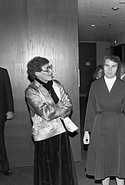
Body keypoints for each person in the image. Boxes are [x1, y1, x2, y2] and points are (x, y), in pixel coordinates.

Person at [83, 55, 125, 185]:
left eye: (113, 66)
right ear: (103, 67)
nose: (110, 69)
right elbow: (90, 109)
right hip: (100, 125)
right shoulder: (95, 85)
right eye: (107, 66)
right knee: (103, 161)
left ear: (117, 68)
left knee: (119, 161)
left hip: (119, 125)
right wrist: (86, 131)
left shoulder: (123, 86)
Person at [25, 56, 78, 185]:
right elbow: (45, 113)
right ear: (37, 73)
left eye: (50, 67)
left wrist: (57, 108)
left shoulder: (57, 84)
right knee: (48, 173)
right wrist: (60, 107)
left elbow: (69, 105)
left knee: (63, 169)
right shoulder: (31, 91)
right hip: (45, 135)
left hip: (61, 131)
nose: (50, 71)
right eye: (47, 69)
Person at [0, 67, 14, 176]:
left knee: (0, 142)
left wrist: (10, 110)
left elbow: (8, 92)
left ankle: (5, 167)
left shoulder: (2, 72)